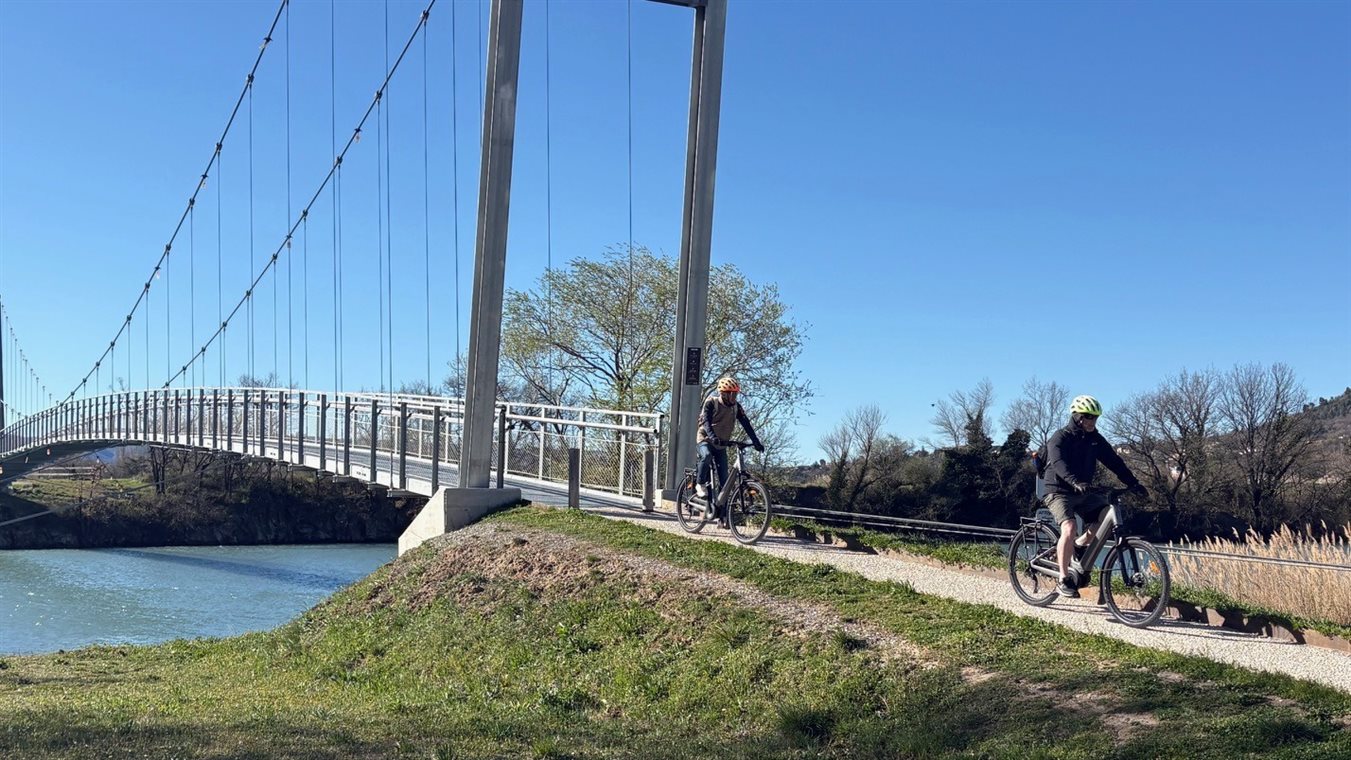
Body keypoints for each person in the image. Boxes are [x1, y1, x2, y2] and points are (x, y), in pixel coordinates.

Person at [1042, 394, 1148, 598]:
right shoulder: (1060, 437)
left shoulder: (1095, 440)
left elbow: (1115, 462)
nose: (1092, 421)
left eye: (1095, 417)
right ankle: (1063, 579)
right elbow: (1058, 463)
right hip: (1058, 490)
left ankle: (1080, 544)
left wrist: (1134, 483)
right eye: (1088, 417)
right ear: (1077, 417)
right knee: (1069, 526)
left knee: (1106, 516)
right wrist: (1073, 481)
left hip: (1083, 490)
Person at [696, 376, 764, 501]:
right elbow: (706, 422)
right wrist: (713, 437)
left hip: (721, 444)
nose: (734, 398)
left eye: (735, 394)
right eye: (731, 394)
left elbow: (746, 424)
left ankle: (722, 517)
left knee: (725, 482)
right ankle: (699, 483)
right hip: (705, 439)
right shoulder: (712, 402)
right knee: (706, 456)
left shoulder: (736, 407)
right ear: (723, 394)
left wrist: (756, 442)